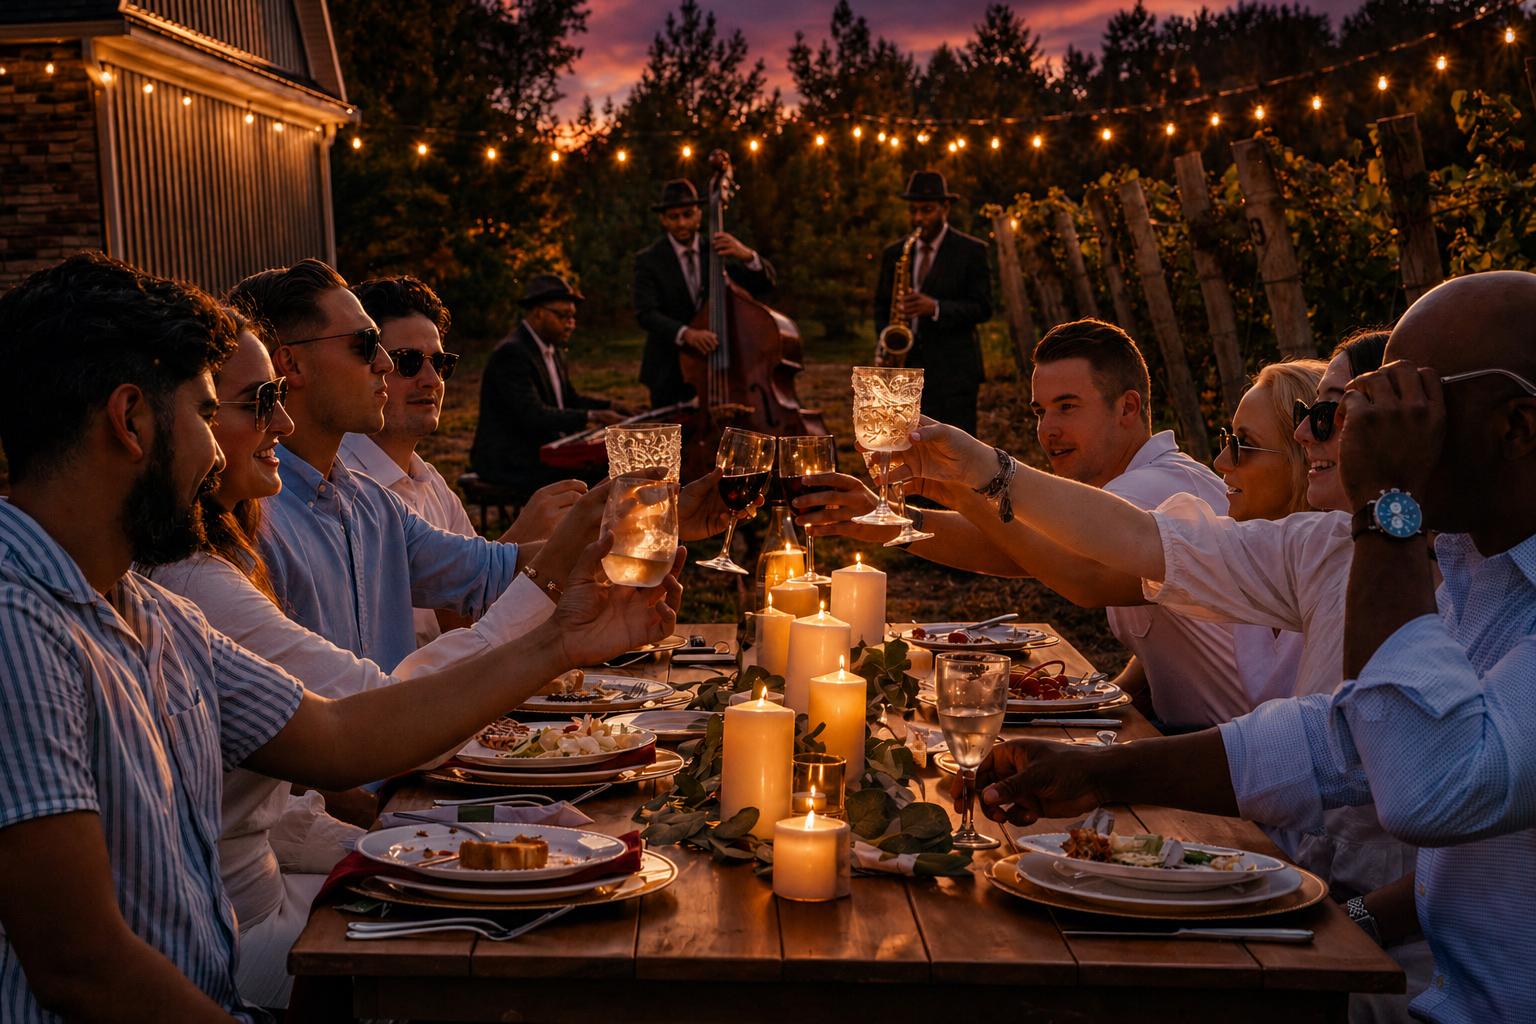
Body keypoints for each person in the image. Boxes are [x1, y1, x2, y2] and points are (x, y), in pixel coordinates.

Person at [0, 252, 682, 1021]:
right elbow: (81, 967)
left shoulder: (150, 611)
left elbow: (339, 734)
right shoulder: (20, 626)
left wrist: (559, 643)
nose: (227, 447)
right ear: (129, 421)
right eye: (206, 412)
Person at [951, 272, 1536, 1023]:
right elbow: (1335, 737)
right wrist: (1099, 774)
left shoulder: (1404, 538)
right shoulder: (1460, 559)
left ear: (1518, 427)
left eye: (1413, 408)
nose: (1368, 432)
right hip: (1391, 977)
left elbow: (1427, 783)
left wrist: (1390, 501)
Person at [141, 313, 606, 1010]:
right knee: (535, 955)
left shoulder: (339, 513)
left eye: (435, 359)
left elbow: (285, 813)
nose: (400, 370)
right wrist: (557, 634)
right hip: (230, 936)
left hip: (279, 878)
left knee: (549, 897)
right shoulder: (191, 587)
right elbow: (369, 720)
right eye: (236, 405)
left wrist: (457, 836)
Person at [807, 319, 1249, 729]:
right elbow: (1022, 549)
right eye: (1040, 411)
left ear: (1128, 407)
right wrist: (901, 518)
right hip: (1192, 742)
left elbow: (1078, 575)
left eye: (1067, 407)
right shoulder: (1131, 485)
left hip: (1246, 769)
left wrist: (963, 481)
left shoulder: (1159, 487)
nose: (1048, 429)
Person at [228, 259, 563, 673]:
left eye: (440, 364)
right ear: (291, 364)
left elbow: (489, 573)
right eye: (367, 344)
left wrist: (612, 527)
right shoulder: (252, 523)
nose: (384, 363)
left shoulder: (370, 503)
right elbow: (341, 706)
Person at [341, 275, 585, 646]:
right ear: (368, 368)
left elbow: (468, 624)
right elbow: (461, 621)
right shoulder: (342, 487)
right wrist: (523, 537)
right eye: (407, 362)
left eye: (440, 363)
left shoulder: (431, 482)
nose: (432, 380)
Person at [469, 273, 638, 494]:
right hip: (509, 459)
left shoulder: (552, 350)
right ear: (538, 313)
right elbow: (532, 414)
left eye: (573, 317)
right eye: (563, 316)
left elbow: (568, 399)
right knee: (599, 477)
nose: (571, 324)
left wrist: (612, 406)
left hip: (537, 451)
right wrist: (593, 417)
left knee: (611, 468)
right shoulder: (512, 353)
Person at [633, 178, 775, 409]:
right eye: (673, 217)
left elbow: (766, 284)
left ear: (699, 214)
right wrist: (686, 333)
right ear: (663, 219)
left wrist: (748, 256)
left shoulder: (719, 251)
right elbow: (645, 313)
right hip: (669, 371)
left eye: (688, 214)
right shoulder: (649, 260)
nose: (681, 223)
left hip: (724, 368)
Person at [873, 170, 993, 434]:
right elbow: (881, 305)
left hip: (955, 373)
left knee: (957, 455)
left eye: (926, 210)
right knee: (909, 447)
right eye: (913, 210)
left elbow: (983, 307)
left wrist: (936, 307)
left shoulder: (972, 251)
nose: (918, 218)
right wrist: (885, 339)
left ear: (945, 207)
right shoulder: (894, 252)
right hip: (906, 369)